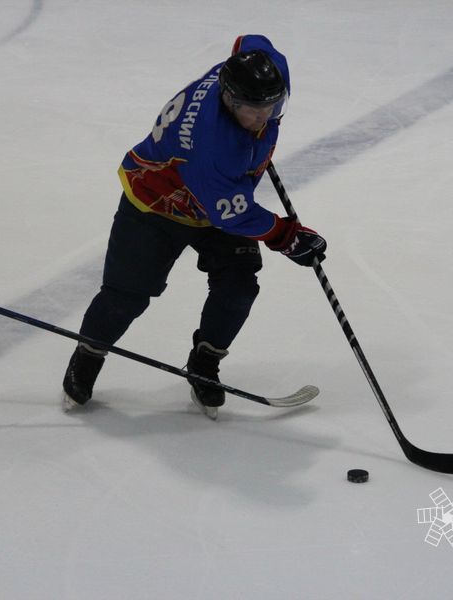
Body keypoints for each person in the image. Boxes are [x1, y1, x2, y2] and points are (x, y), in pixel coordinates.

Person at [63, 34, 326, 419]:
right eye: (253, 111)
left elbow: (248, 41)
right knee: (126, 297)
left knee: (239, 286)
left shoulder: (267, 70)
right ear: (229, 98)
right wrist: (285, 236)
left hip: (217, 200)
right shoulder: (210, 146)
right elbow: (231, 215)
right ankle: (88, 354)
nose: (264, 117)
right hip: (157, 203)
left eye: (272, 106)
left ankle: (205, 363)